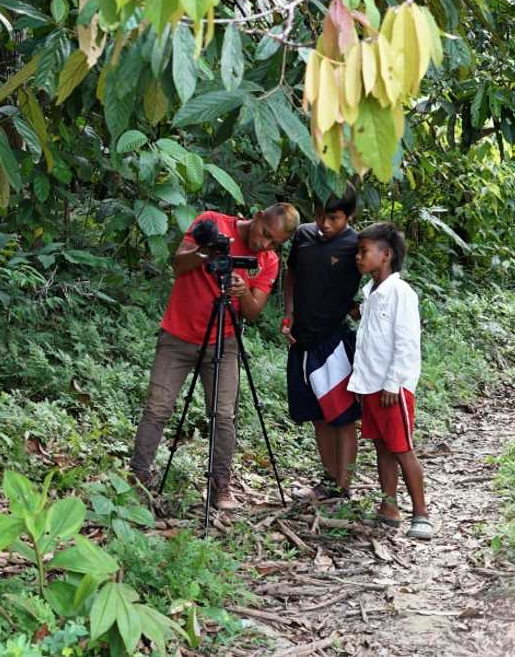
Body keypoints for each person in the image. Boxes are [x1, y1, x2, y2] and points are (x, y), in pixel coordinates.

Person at [131, 203, 300, 510]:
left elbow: (253, 312)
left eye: (274, 242)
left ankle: (220, 485)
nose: (264, 243)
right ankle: (138, 479)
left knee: (224, 415)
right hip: (178, 336)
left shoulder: (268, 261)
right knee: (157, 408)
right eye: (265, 234)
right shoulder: (211, 222)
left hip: (224, 340)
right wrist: (203, 254)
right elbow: (177, 264)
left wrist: (242, 292)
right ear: (258, 216)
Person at [348, 222, 432, 540]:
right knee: (382, 447)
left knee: (401, 449)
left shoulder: (400, 293)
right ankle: (389, 507)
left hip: (391, 388)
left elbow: (406, 342)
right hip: (370, 384)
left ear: (386, 255)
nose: (358, 257)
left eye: (364, 251)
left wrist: (393, 382)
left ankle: (421, 514)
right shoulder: (370, 292)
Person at [282, 183, 362, 501]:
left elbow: (375, 283)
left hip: (334, 342)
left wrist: (358, 312)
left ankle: (344, 488)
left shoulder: (356, 244)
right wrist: (288, 312)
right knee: (318, 415)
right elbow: (291, 275)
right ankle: (329, 481)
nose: (324, 224)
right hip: (303, 341)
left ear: (349, 216)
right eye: (319, 215)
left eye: (334, 217)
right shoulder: (302, 235)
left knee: (341, 417)